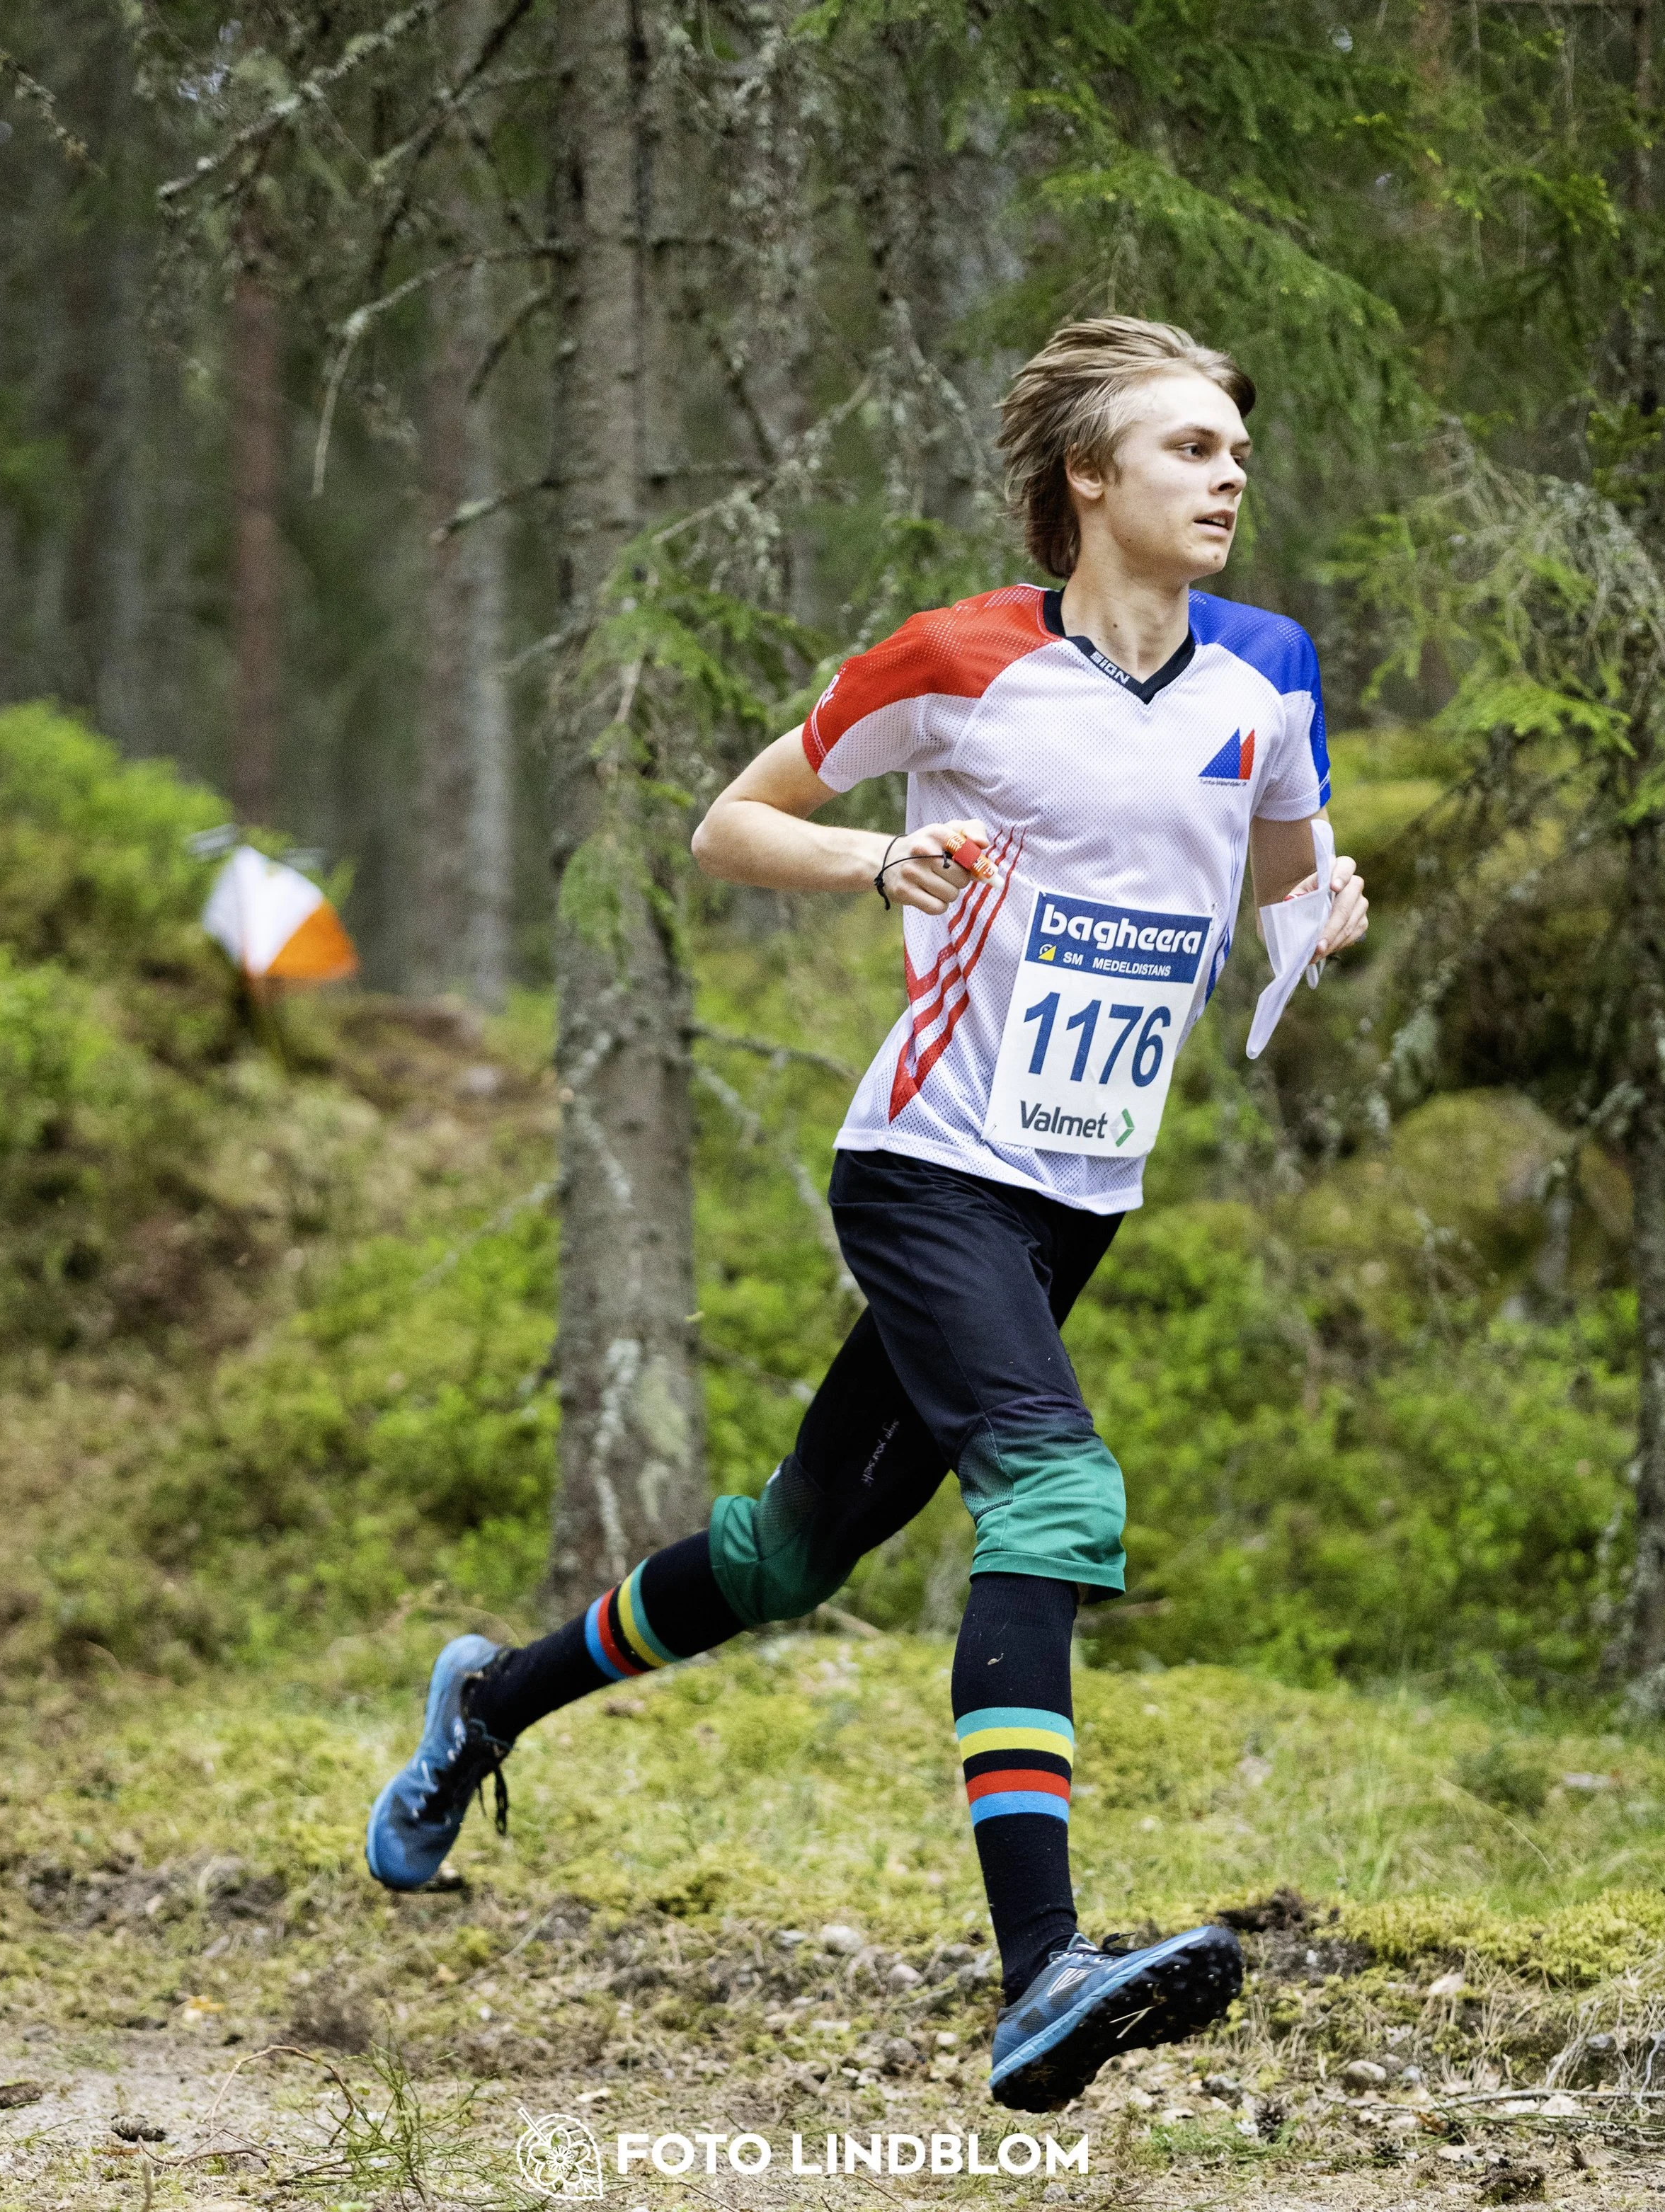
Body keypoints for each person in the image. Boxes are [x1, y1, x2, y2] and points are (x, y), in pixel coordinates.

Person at [365, 316, 1370, 2113]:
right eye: (1189, 447)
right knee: (1056, 1492)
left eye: (1235, 449)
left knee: (783, 1553)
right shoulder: (956, 658)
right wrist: (874, 855)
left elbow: (1281, 884)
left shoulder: (1268, 670)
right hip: (928, 1163)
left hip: (1077, 1193)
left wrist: (1321, 919)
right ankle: (1041, 1971)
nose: (1229, 474)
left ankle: (484, 1706)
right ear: (1089, 477)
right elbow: (730, 822)